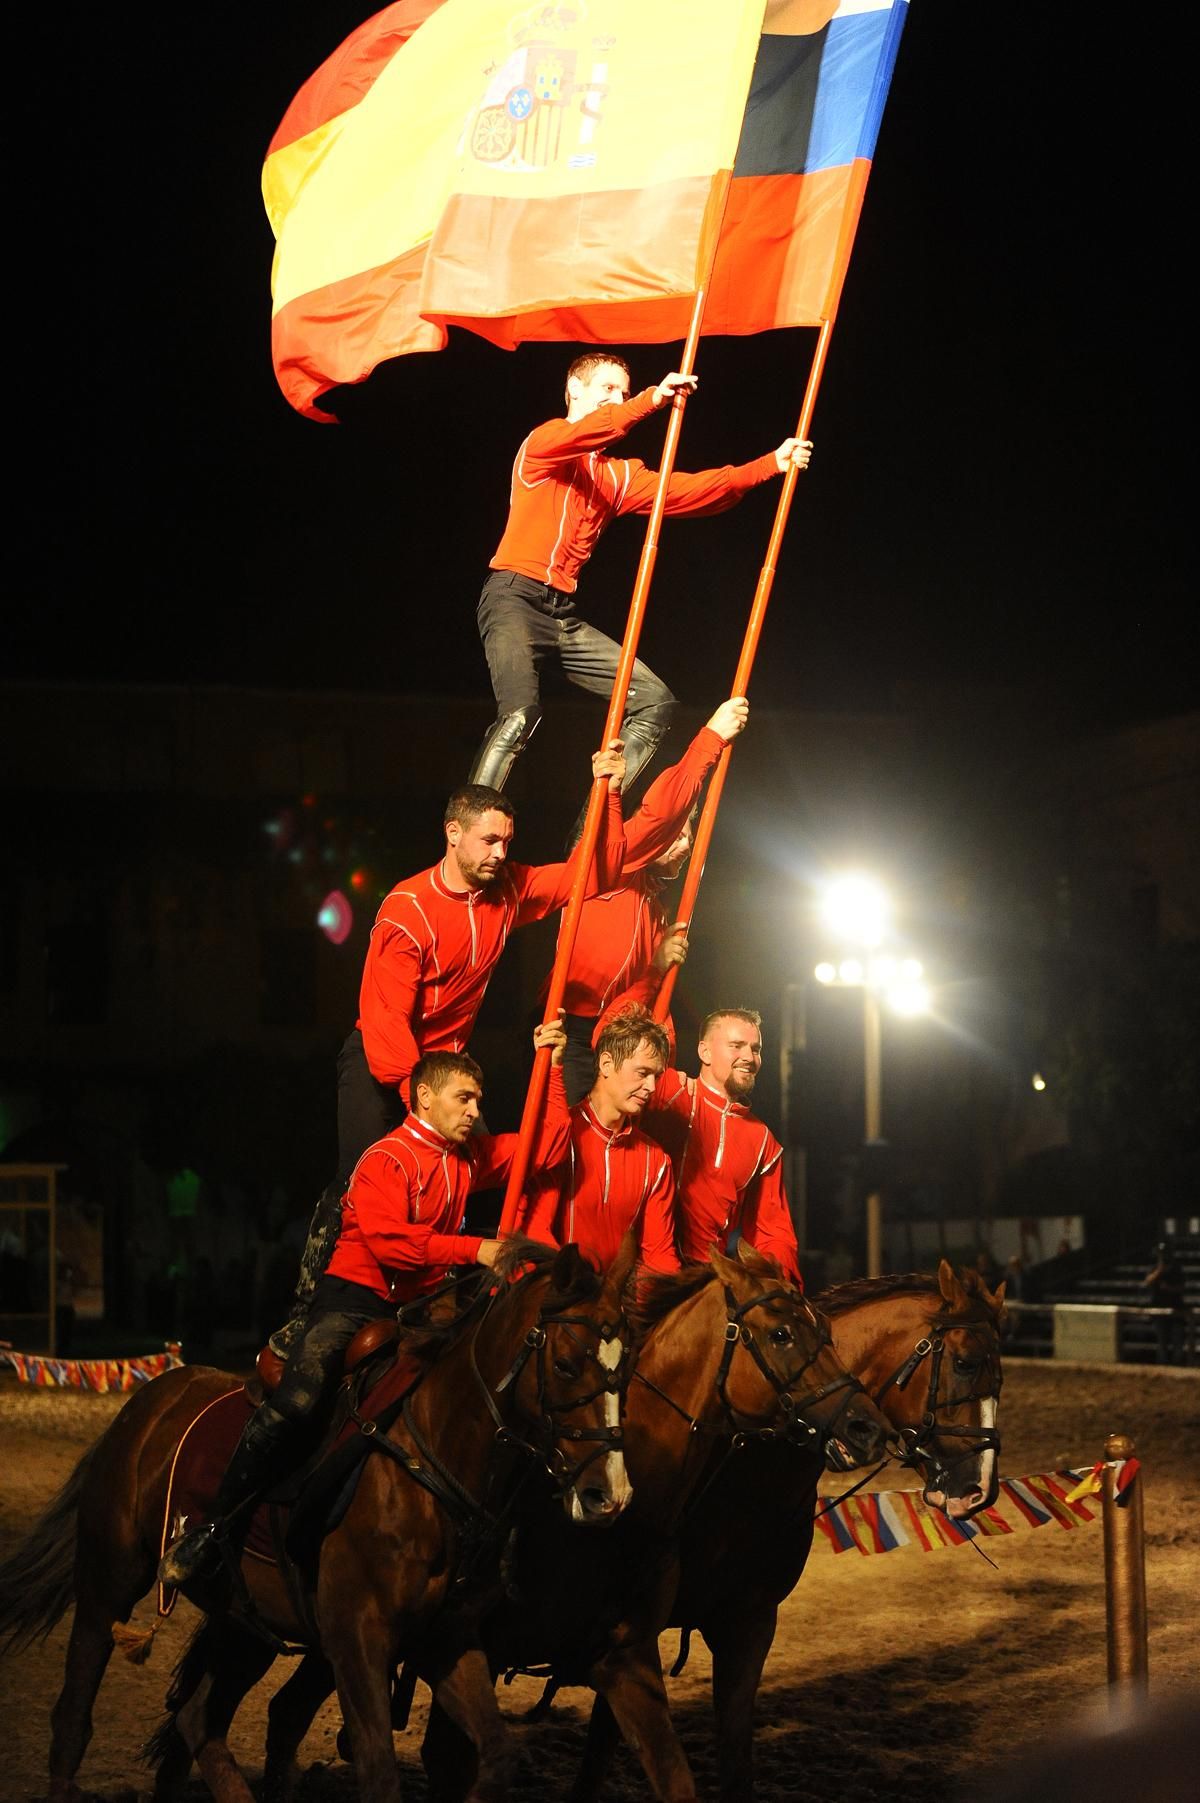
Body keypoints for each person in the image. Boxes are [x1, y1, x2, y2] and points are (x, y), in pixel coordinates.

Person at [159, 1020, 572, 1589]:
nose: (476, 1110)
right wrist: (476, 1248)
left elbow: (545, 1147)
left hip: (419, 1306)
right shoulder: (385, 1159)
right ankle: (212, 1529)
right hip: (353, 1301)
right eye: (464, 1097)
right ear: (425, 1097)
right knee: (301, 1402)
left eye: (478, 1098)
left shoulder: (467, 1158)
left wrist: (548, 1064)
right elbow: (390, 1243)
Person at [270, 739, 627, 1356]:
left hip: (449, 1073)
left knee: (483, 1178)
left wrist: (610, 790)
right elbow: (385, 1020)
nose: (500, 854)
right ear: (452, 833)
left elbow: (594, 876)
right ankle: (311, 1311)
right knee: (362, 1180)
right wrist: (422, 1106)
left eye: (507, 843)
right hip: (389, 1064)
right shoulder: (406, 910)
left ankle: (463, 1315)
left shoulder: (508, 889)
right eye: (489, 841)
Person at [467, 352, 814, 793]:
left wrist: (768, 465)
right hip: (513, 596)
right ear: (574, 389)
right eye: (606, 389)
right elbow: (598, 427)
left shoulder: (616, 476)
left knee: (655, 700)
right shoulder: (544, 443)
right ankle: (472, 824)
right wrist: (650, 400)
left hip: (562, 615)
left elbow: (686, 490)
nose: (616, 398)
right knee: (520, 714)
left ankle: (593, 829)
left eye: (623, 392)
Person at [548, 694, 750, 1104]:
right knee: (567, 1144)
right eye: (676, 837)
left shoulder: (655, 913)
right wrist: (710, 738)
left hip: (619, 1038)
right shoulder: (614, 872)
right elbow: (660, 814)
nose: (682, 846)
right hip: (572, 1032)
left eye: (688, 840)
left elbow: (645, 1000)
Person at [595, 990, 802, 1283]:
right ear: (704, 1052)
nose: (748, 1056)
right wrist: (658, 969)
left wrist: (780, 1290)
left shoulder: (764, 1141)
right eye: (736, 1045)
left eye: (755, 1049)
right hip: (630, 1267)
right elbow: (617, 1038)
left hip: (702, 1283)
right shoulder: (666, 1090)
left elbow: (773, 1234)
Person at [519, 1008, 680, 1277]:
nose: (651, 1087)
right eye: (642, 1072)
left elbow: (659, 1256)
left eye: (657, 1076)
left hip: (615, 1309)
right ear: (606, 1064)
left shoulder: (657, 1160)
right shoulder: (561, 1140)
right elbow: (536, 1233)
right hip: (560, 1301)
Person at [1142, 1240, 1187, 1364]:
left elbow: (1182, 1287)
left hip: (1175, 1309)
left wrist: (1169, 1289)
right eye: (1161, 1254)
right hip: (1159, 1309)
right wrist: (1159, 1271)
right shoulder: (1154, 1268)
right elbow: (1147, 1282)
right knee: (1161, 1341)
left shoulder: (1176, 1268)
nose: (1163, 1256)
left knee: (1177, 1340)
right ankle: (1163, 1364)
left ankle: (1177, 1365)